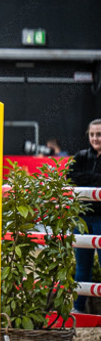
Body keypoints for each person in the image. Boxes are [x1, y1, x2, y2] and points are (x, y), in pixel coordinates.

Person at [69, 118, 101, 313]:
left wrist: (85, 180)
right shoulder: (80, 156)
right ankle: (78, 308)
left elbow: (77, 178)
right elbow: (70, 177)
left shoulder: (80, 158)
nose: (95, 138)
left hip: (100, 218)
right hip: (81, 218)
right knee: (82, 266)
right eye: (92, 134)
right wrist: (95, 180)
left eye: (99, 134)